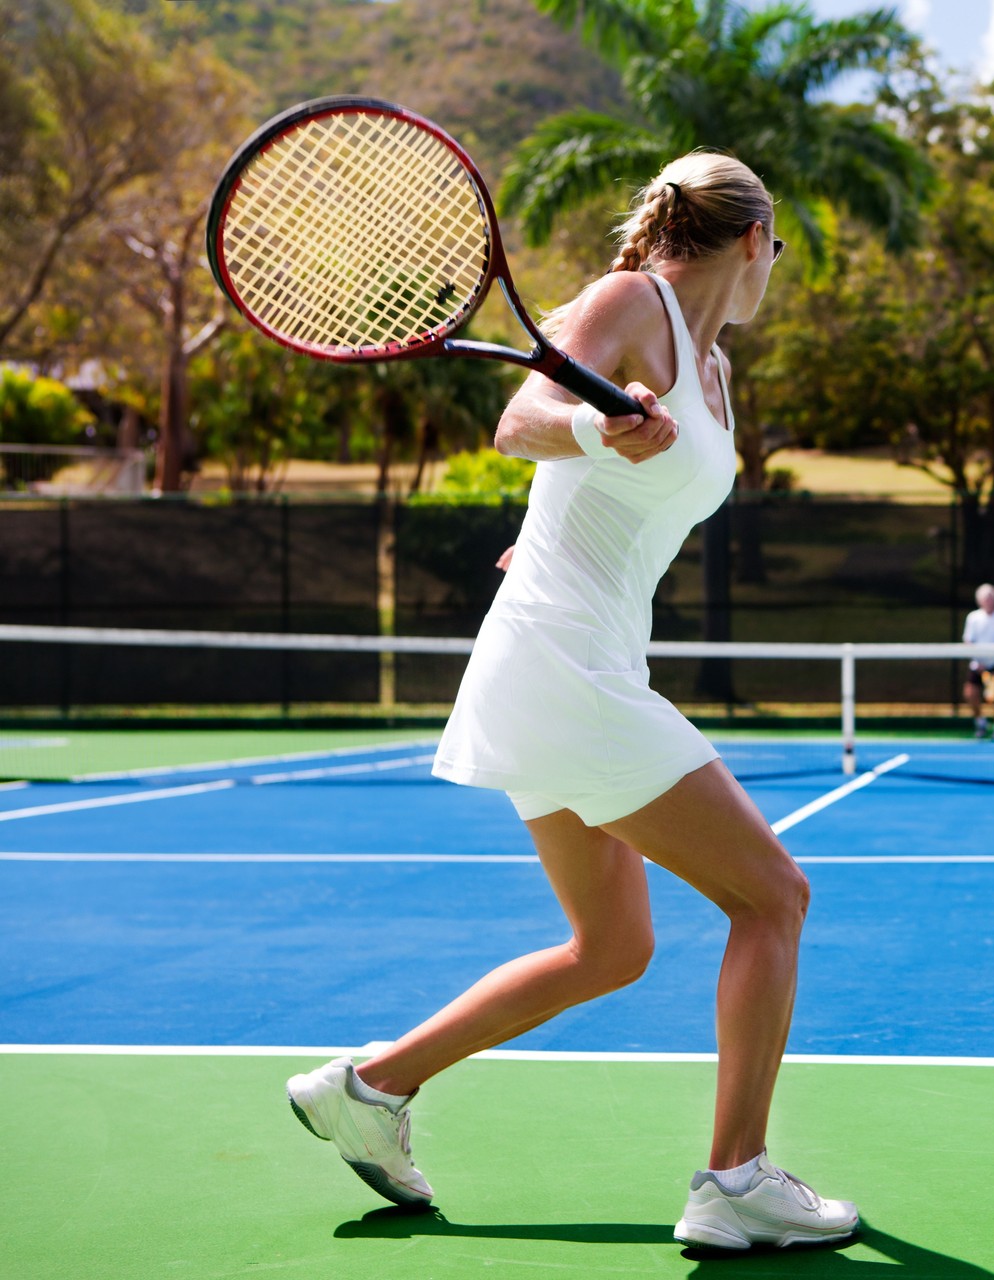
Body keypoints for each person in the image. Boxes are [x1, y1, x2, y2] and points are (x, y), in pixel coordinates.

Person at [283, 154, 859, 1253]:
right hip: (567, 662)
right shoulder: (627, 301)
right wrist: (598, 429)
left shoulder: (713, 368)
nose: (772, 267)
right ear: (751, 241)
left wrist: (555, 520)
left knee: (610, 945)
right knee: (774, 897)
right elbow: (524, 420)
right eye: (775, 250)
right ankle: (736, 1179)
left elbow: (606, 500)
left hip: (567, 652)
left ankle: (372, 1084)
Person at [962, 583, 994, 741]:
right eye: (986, 598)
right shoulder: (973, 617)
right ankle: (980, 722)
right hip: (978, 664)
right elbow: (968, 641)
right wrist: (977, 661)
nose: (989, 601)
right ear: (980, 600)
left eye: (991, 598)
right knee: (970, 693)